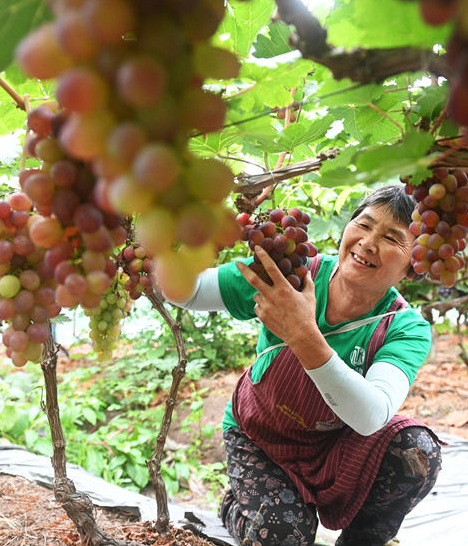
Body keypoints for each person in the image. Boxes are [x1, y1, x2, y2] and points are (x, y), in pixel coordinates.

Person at [169, 185, 443, 546]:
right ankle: (239, 506)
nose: (368, 242)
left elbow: (371, 416)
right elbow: (184, 291)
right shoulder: (289, 274)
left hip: (334, 447)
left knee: (417, 451)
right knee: (285, 536)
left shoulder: (405, 327)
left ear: (413, 266)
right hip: (261, 439)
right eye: (364, 225)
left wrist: (302, 334)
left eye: (391, 238)